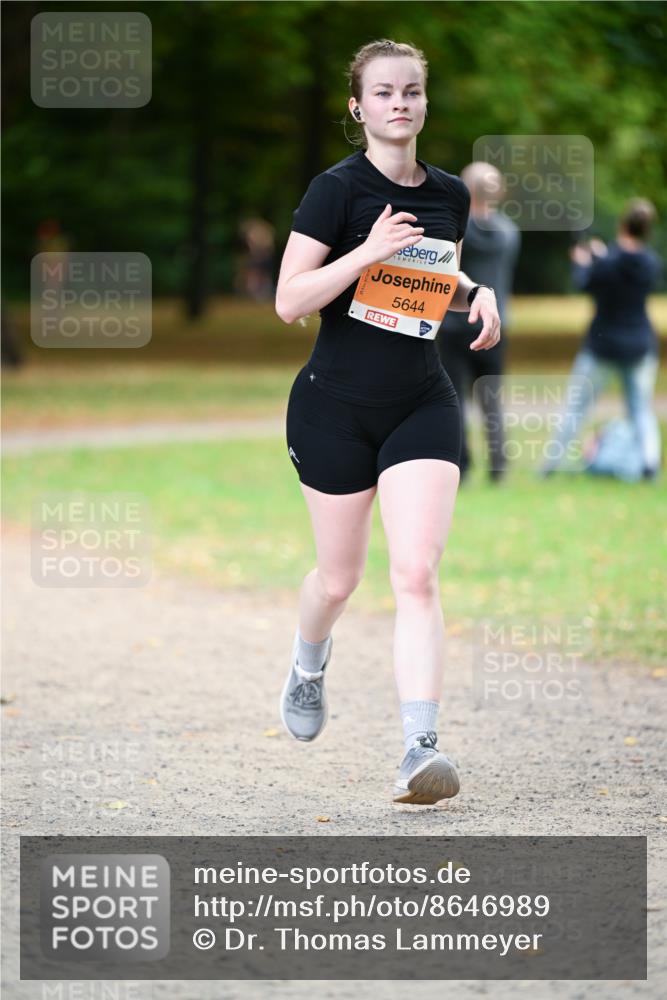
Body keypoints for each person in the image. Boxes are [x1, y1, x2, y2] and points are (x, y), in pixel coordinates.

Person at [275, 39, 500, 805]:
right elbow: (288, 301)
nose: (398, 102)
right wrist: (363, 251)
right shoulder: (332, 193)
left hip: (419, 401)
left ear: (424, 102)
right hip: (332, 407)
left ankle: (419, 749)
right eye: (382, 93)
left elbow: (426, 280)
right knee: (338, 579)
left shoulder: (448, 194)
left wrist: (475, 291)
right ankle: (308, 660)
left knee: (416, 572)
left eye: (410, 91)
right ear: (357, 107)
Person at [540, 198, 662, 479]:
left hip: (603, 345)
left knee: (575, 408)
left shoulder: (608, 263)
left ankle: (550, 465)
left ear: (623, 224)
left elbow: (587, 281)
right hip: (640, 346)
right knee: (640, 409)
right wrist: (601, 257)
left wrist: (584, 262)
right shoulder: (650, 263)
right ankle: (649, 465)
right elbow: (621, 266)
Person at [437, 163, 520, 482]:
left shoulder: (458, 230)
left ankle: (462, 464)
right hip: (494, 325)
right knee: (492, 398)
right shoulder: (509, 233)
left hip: (455, 326)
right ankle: (498, 465)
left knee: (455, 397)